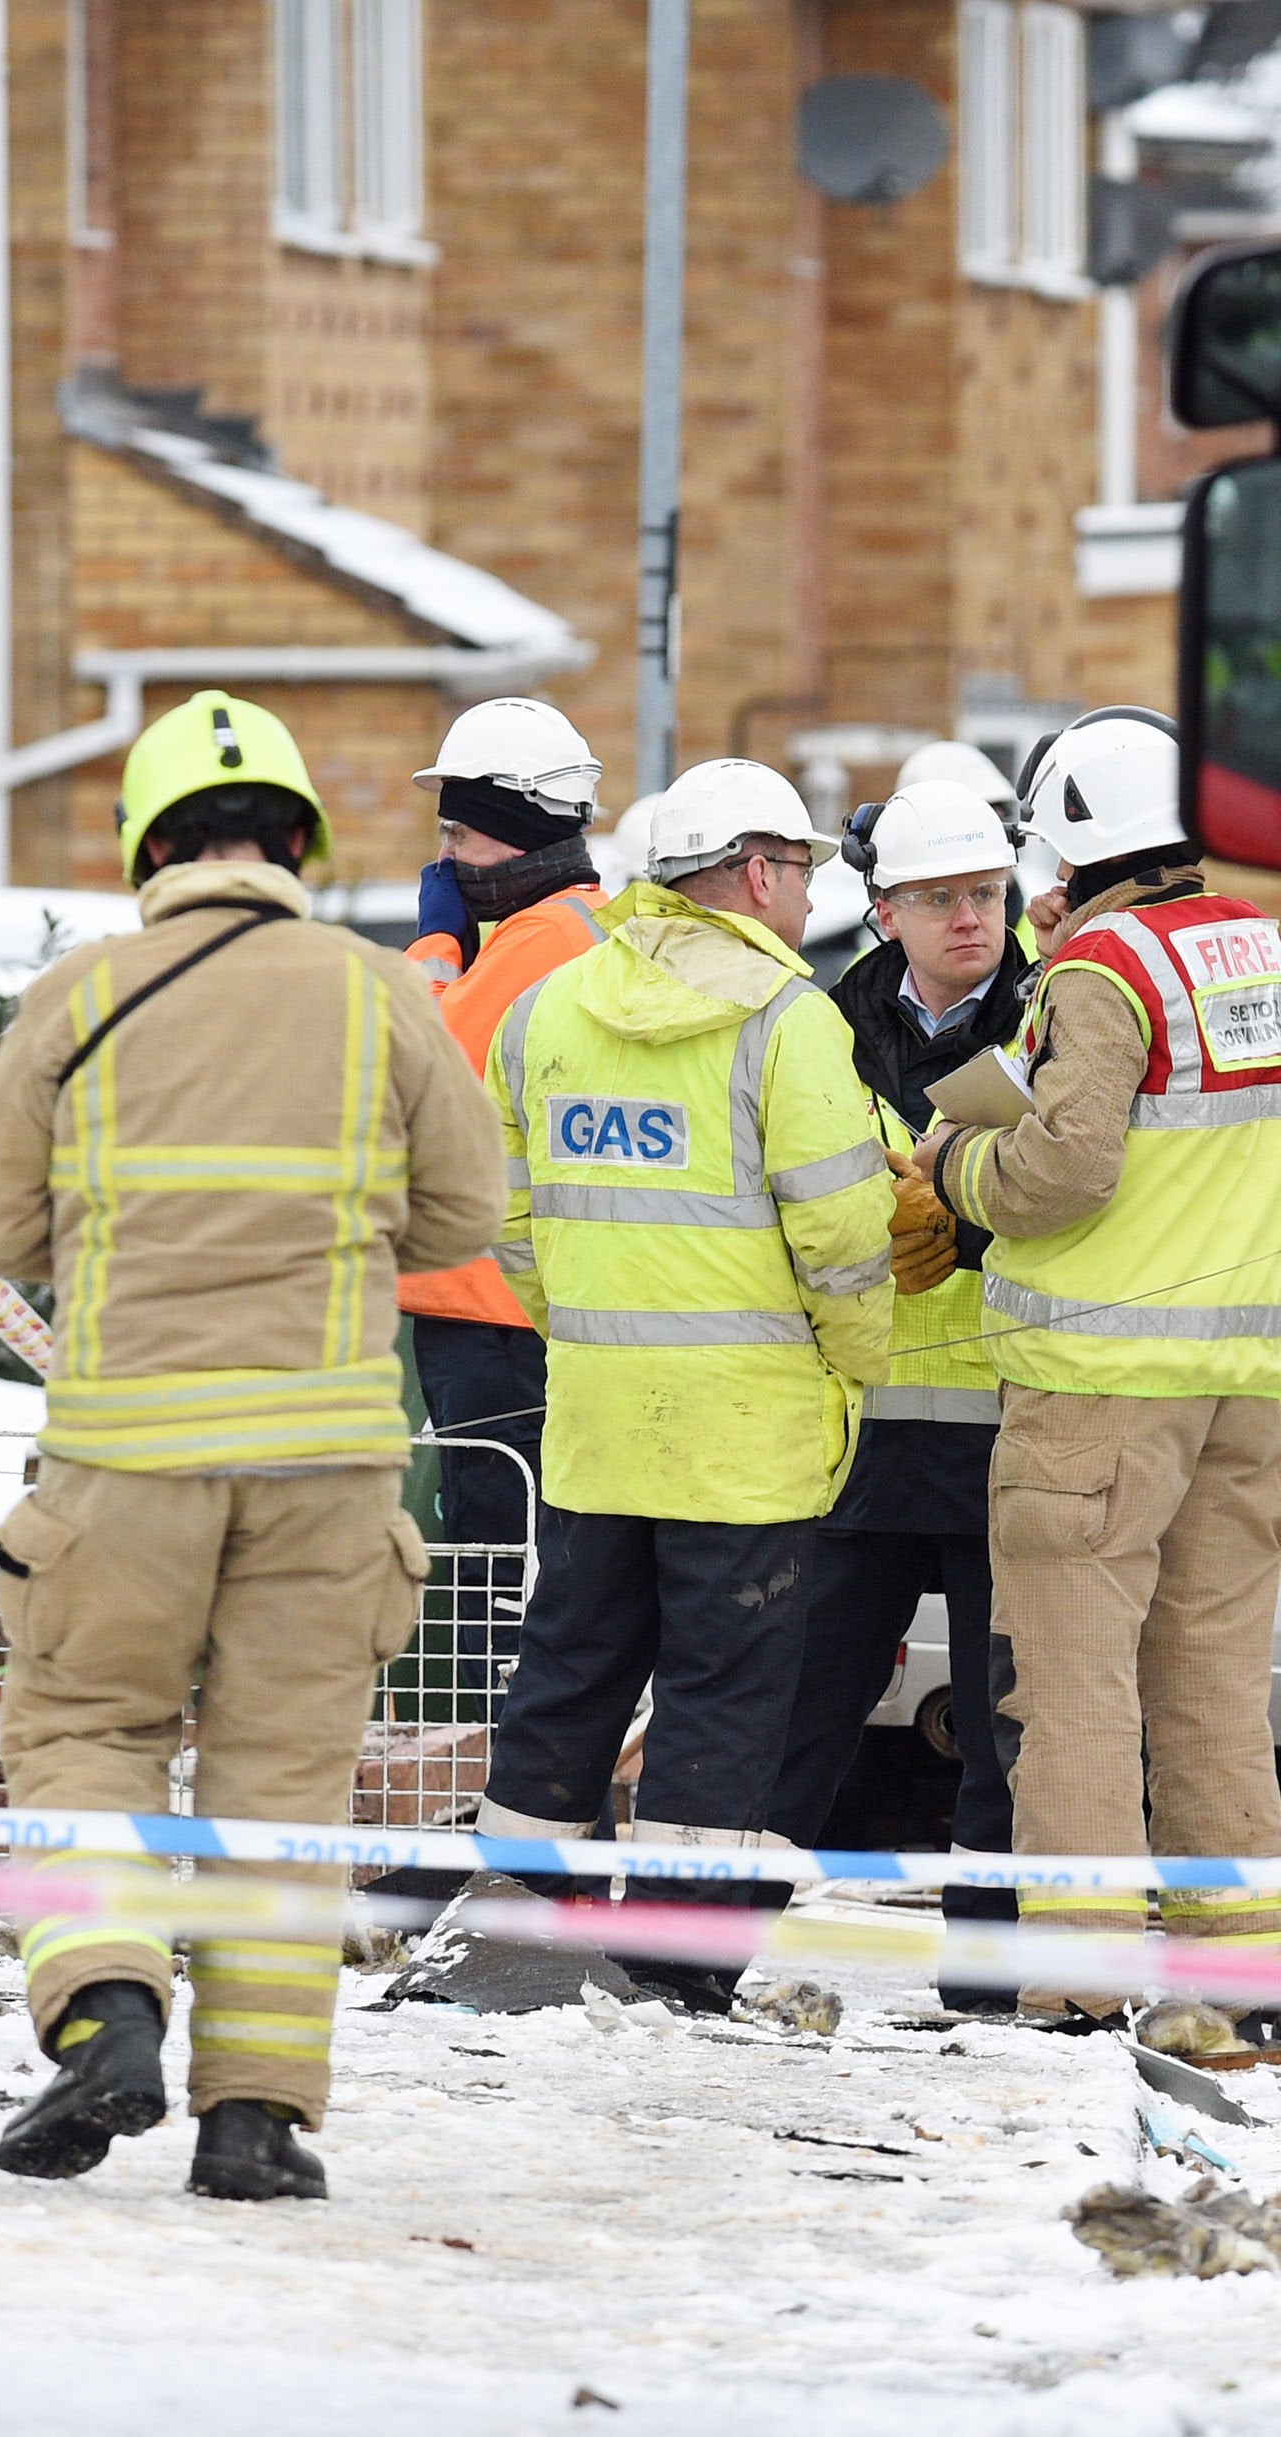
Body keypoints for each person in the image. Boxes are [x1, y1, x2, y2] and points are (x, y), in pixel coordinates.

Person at [0, 687, 505, 2199]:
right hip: (331, 1472)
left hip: (126, 1460)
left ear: (147, 846)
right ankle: (253, 2125)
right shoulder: (379, 992)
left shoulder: (81, 995)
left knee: (80, 1735)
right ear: (299, 844)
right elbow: (469, 1216)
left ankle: (108, 2007)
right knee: (284, 1786)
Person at [912, 708, 1281, 2024]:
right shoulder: (1255, 944)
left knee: (1072, 1687)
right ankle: (1236, 1966)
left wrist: (958, 1169)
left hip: (1098, 1392)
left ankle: (1082, 1983)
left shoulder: (1100, 966)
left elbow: (1066, 1168)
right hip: (1240, 1384)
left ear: (1074, 842)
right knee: (1211, 1681)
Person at [472, 755, 897, 2008]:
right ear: (756, 872)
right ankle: (677, 1970)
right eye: (804, 867)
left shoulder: (547, 1008)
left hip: (599, 1423)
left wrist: (584, 1332)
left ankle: (512, 1934)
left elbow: (507, 1219)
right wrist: (848, 1369)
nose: (809, 893)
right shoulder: (787, 1019)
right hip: (748, 1441)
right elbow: (842, 1238)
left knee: (568, 1673)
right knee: (719, 1699)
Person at [764, 776, 1036, 2010]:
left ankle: (987, 1975)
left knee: (1002, 1727)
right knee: (799, 1701)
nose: (969, 920)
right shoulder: (823, 1027)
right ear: (883, 911)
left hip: (1004, 1422)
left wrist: (968, 1227)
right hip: (865, 1426)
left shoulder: (1054, 1015)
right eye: (939, 900)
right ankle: (718, 1950)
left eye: (983, 895)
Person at [396, 698, 610, 1707]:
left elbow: (414, 1070)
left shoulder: (538, 943)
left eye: (460, 830)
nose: (446, 857)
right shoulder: (565, 930)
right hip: (507, 1311)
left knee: (491, 1569)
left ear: (521, 827)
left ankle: (472, 1771)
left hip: (493, 1320)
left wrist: (435, 948)